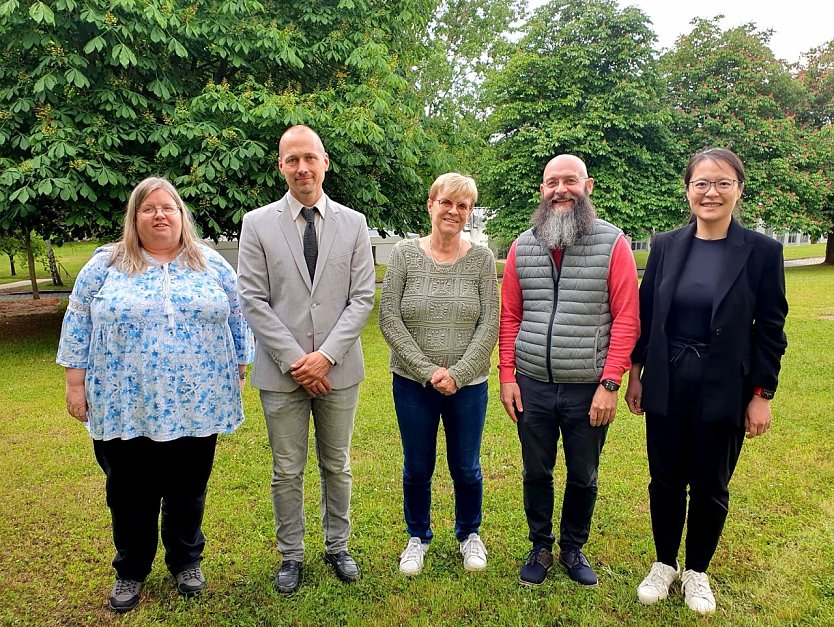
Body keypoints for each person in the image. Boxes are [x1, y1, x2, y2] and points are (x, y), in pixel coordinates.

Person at [56, 177, 254, 613]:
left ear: (182, 216)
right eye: (149, 209)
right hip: (125, 402)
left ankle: (185, 561)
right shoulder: (106, 264)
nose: (160, 215)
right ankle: (130, 570)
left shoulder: (210, 263)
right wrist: (75, 383)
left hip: (197, 402)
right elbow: (78, 320)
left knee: (188, 487)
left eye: (169, 208)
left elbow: (238, 314)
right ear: (135, 217)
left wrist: (240, 366)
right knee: (129, 491)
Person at [627, 148, 788, 615]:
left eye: (721, 183)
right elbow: (647, 315)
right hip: (668, 379)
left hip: (724, 385)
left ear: (738, 189)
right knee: (664, 478)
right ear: (688, 190)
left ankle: (696, 570)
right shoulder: (667, 245)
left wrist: (761, 394)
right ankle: (664, 564)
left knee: (711, 482)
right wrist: (635, 375)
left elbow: (771, 329)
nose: (710, 192)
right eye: (701, 183)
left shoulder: (761, 252)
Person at [237, 125, 375, 594]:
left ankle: (338, 545)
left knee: (337, 464)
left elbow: (361, 298)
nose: (302, 167)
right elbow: (253, 298)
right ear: (281, 166)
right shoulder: (256, 224)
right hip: (281, 373)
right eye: (292, 159)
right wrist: (299, 360)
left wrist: (326, 358)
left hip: (340, 371)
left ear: (325, 162)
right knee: (286, 469)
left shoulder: (354, 223)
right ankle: (291, 555)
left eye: (310, 158)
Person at [498, 154, 639, 587]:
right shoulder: (522, 246)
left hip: (588, 388)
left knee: (583, 473)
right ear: (542, 190)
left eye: (570, 181)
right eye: (551, 182)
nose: (560, 189)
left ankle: (573, 547)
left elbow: (627, 318)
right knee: (535, 471)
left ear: (588, 186)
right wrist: (507, 376)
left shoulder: (613, 244)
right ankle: (540, 544)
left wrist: (611, 383)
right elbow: (509, 316)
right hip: (533, 385)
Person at [379, 173, 499, 576]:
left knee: (466, 466)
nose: (453, 211)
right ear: (431, 204)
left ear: (469, 213)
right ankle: (418, 536)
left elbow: (490, 323)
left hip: (469, 385)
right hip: (413, 383)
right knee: (417, 466)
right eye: (446, 202)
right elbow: (389, 317)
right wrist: (429, 371)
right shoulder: (404, 254)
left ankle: (469, 534)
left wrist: (459, 373)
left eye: (462, 206)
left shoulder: (481, 260)